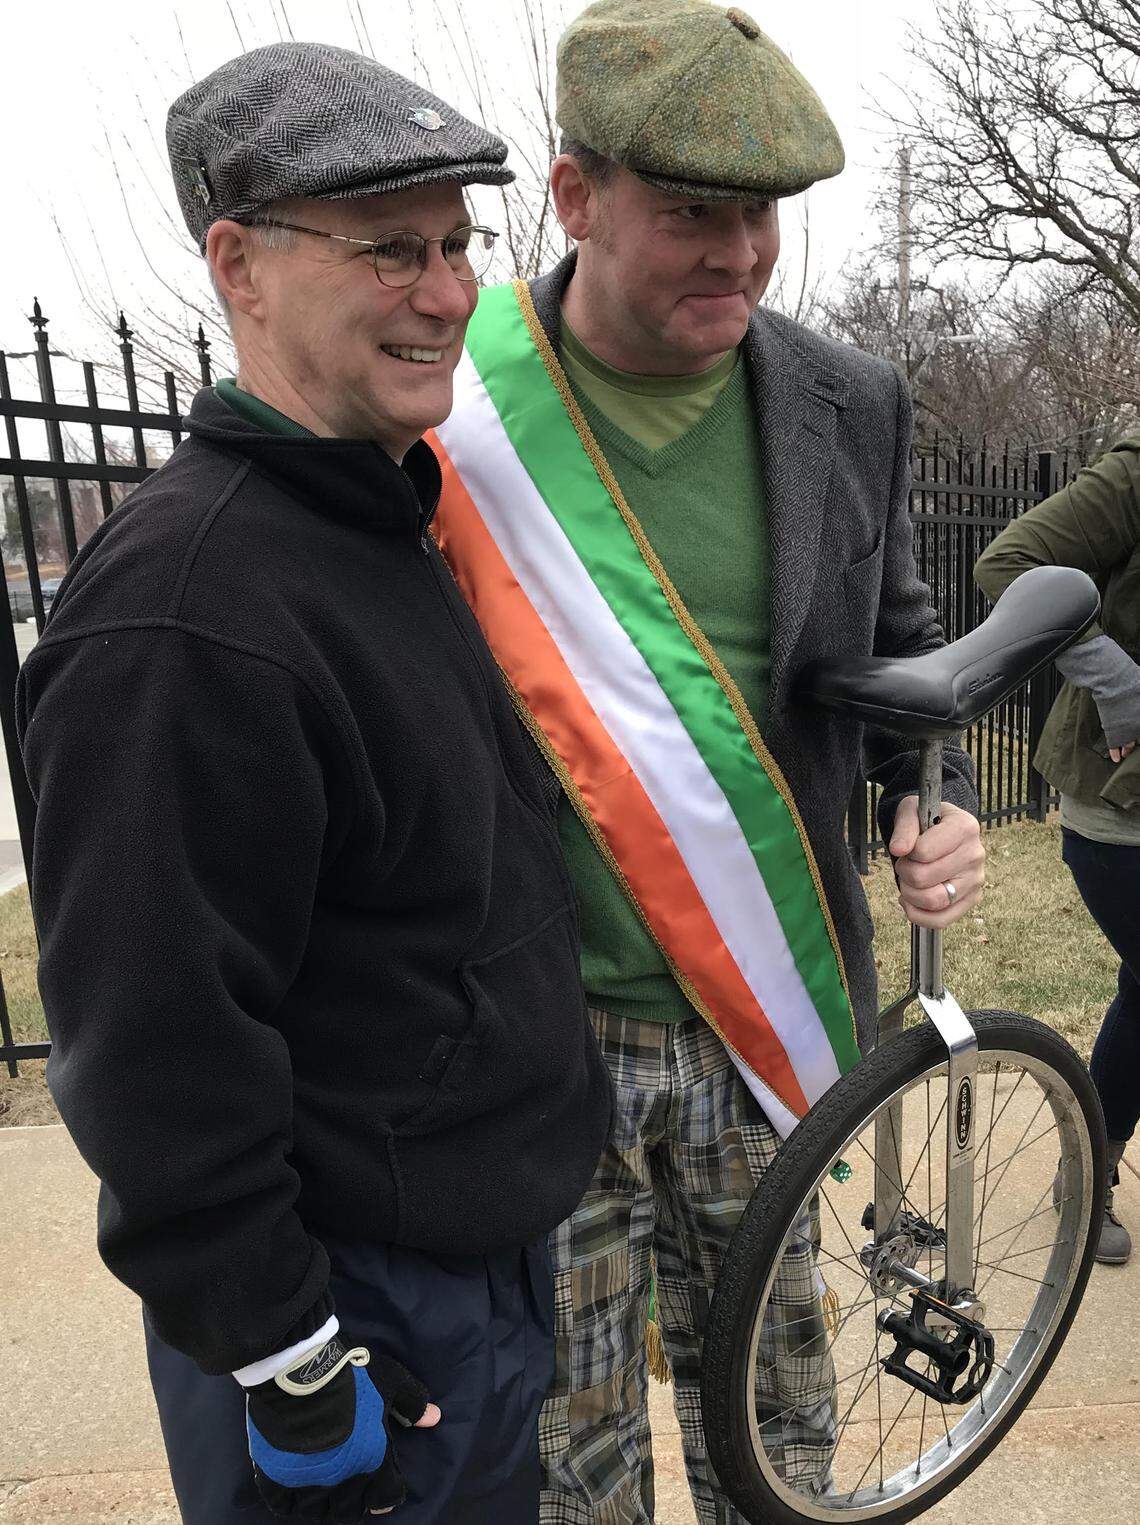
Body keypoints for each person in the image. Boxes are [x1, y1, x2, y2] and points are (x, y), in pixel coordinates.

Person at [16, 41, 611, 1525]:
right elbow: (155, 1048)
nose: (445, 288)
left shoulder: (369, 517)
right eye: (389, 247)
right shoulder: (188, 611)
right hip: (355, 1321)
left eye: (461, 243)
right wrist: (287, 1354)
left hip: (471, 1271)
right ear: (240, 263)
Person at [426, 2, 986, 1519]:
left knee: (780, 1441)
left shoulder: (848, 399)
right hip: (541, 1037)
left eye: (765, 215)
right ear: (574, 197)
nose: (740, 254)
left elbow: (897, 662)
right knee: (573, 1458)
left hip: (764, 1028)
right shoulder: (445, 411)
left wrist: (926, 810)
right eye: (692, 212)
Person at [975, 438, 1140, 1266]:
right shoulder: (1138, 471)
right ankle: (1086, 1170)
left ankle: (1088, 1166)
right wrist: (1120, 684)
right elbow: (1009, 564)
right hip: (1124, 807)